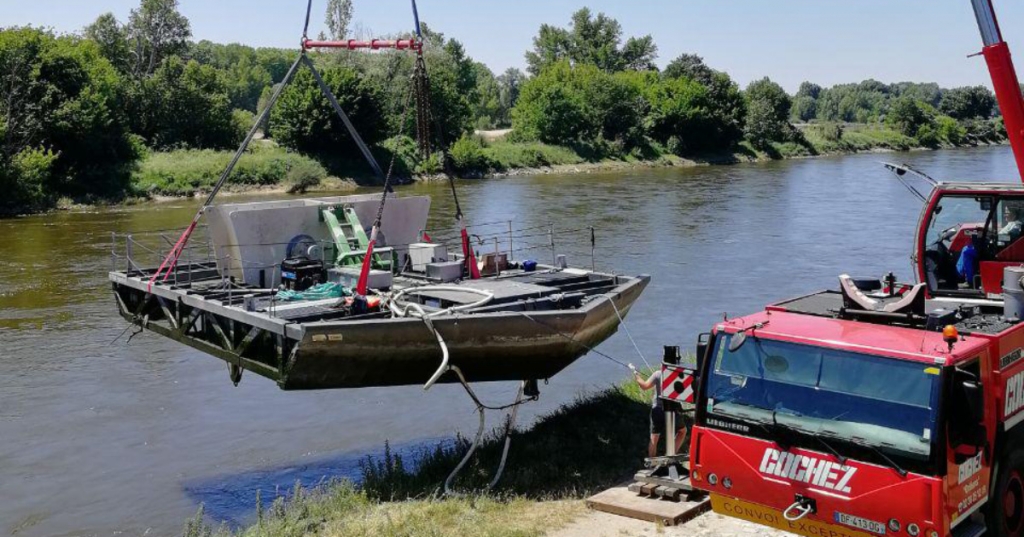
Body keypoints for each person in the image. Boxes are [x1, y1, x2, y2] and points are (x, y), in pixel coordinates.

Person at [631, 364, 688, 458]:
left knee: (654, 438)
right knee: (682, 431)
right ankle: (670, 456)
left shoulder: (658, 374)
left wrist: (636, 374)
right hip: (673, 410)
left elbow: (644, 386)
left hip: (657, 410)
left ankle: (652, 463)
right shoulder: (679, 375)